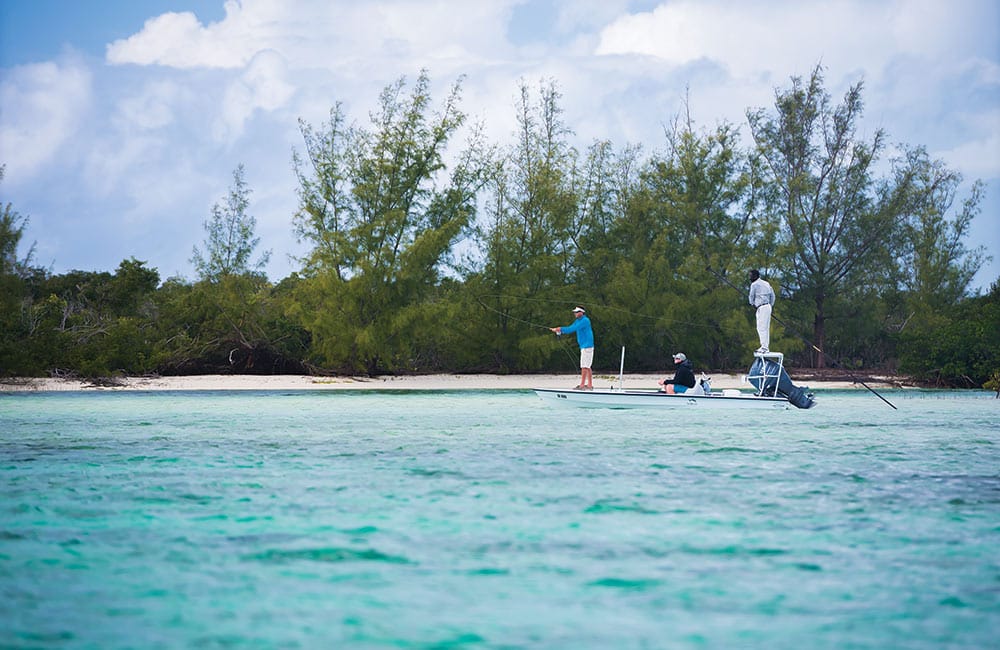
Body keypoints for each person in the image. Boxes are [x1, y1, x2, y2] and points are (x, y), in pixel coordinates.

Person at [550, 306, 594, 390]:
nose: (575, 313)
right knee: (587, 366)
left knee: (584, 366)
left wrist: (560, 328)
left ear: (582, 312)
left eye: (577, 312)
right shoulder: (577, 321)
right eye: (575, 312)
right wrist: (558, 330)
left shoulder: (585, 320)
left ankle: (582, 385)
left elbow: (572, 329)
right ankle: (589, 385)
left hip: (587, 345)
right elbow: (570, 327)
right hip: (584, 346)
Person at [748, 269, 775, 353]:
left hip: (761, 307)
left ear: (755, 276)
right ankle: (765, 347)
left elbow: (751, 296)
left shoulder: (754, 284)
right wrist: (770, 305)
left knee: (761, 328)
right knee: (766, 328)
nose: (750, 277)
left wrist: (752, 304)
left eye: (751, 276)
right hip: (768, 306)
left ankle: (764, 347)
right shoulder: (766, 283)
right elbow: (773, 295)